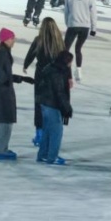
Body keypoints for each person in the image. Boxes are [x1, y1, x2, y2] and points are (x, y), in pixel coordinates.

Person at [26, 20, 74, 164]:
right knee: (55, 114)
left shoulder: (39, 40)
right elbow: (66, 60)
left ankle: (39, 134)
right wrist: (69, 76)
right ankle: (51, 154)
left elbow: (31, 53)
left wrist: (26, 64)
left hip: (42, 75)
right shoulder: (60, 41)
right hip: (58, 74)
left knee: (40, 105)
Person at [0, 27, 28, 160]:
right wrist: (6, 80)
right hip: (1, 92)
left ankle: (0, 148)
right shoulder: (2, 53)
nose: (14, 41)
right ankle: (0, 150)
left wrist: (19, 78)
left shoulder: (3, 51)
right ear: (7, 39)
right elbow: (1, 73)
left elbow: (4, 73)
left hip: (1, 90)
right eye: (12, 38)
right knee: (6, 120)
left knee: (5, 120)